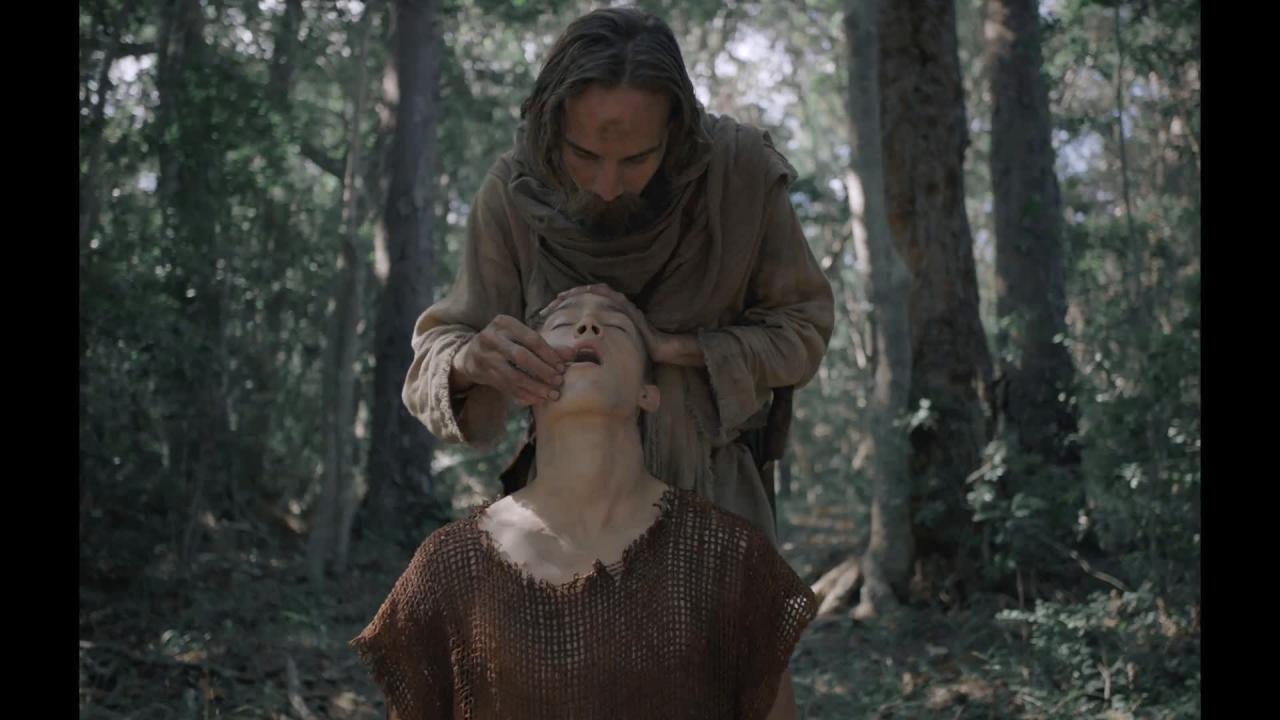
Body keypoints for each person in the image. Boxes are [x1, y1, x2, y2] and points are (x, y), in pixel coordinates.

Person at [402, 6, 834, 544]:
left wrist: (675, 348)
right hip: (560, 530)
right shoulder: (514, 195)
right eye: (584, 155)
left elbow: (803, 329)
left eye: (636, 159)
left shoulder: (739, 178)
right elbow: (431, 360)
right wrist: (470, 361)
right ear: (552, 126)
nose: (607, 186)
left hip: (717, 509)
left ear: (674, 131)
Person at [353, 291, 817, 718]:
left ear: (648, 393)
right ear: (521, 382)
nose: (589, 327)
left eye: (615, 326)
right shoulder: (449, 564)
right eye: (563, 324)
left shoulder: (726, 555)